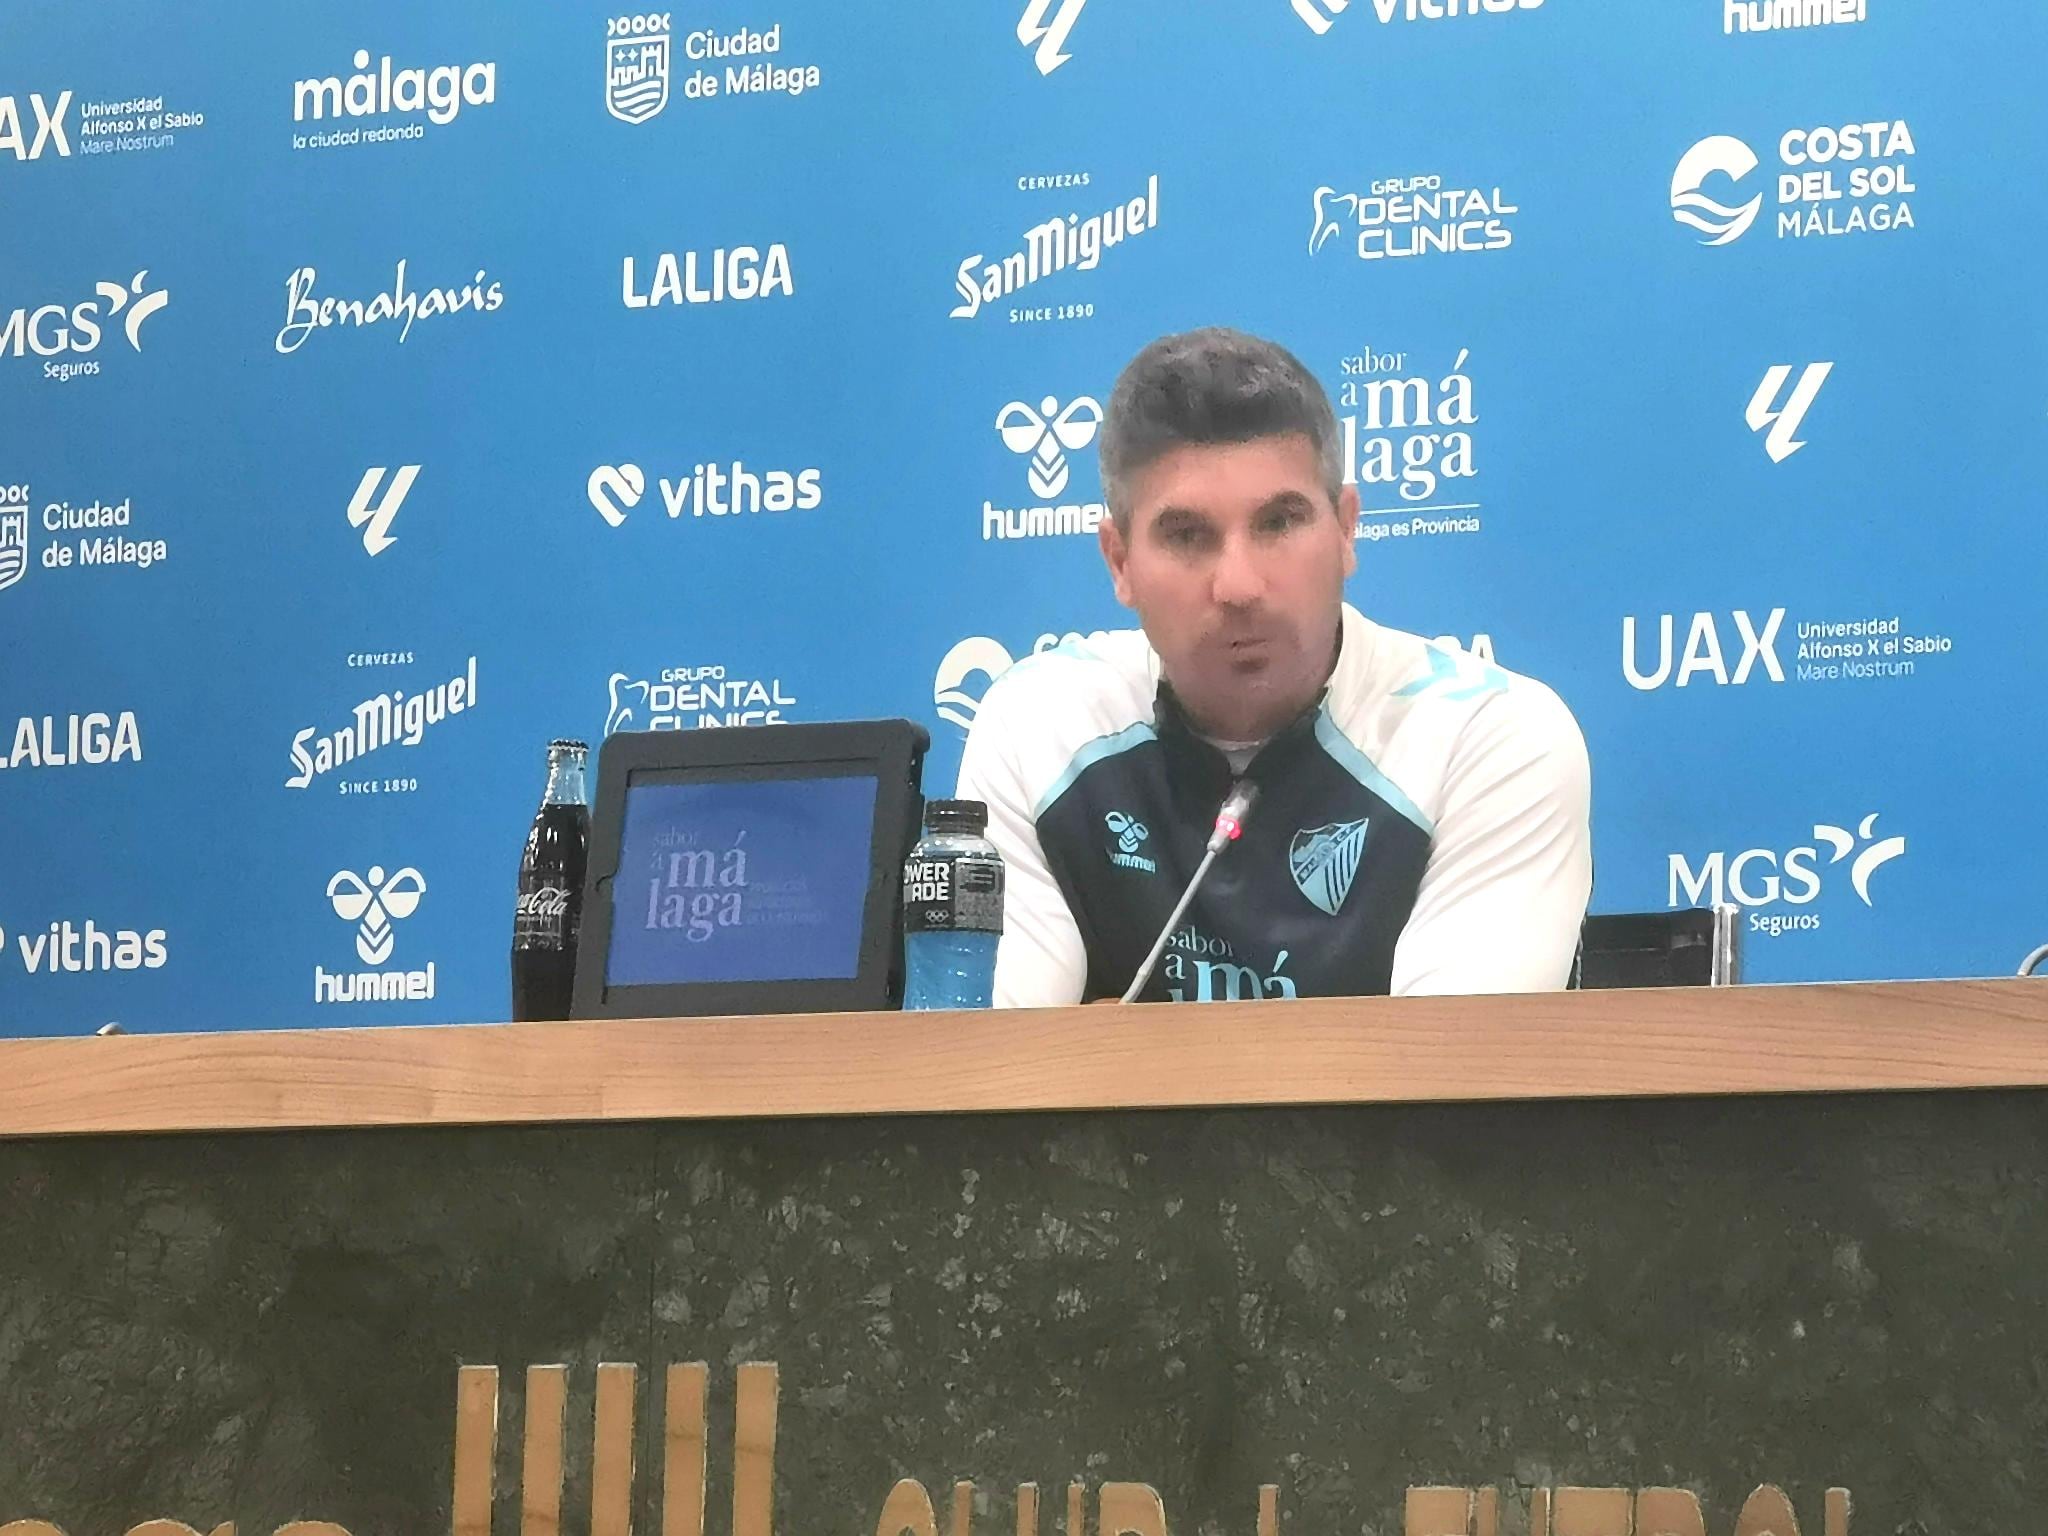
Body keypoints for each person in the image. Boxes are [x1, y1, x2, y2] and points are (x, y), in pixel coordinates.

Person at [956, 327, 1592, 1005]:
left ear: (1346, 528)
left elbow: (1447, 1081)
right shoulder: (1038, 723)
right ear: (1119, 561)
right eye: (1187, 535)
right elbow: (997, 1075)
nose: (1239, 586)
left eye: (1279, 523)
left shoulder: (1491, 738)